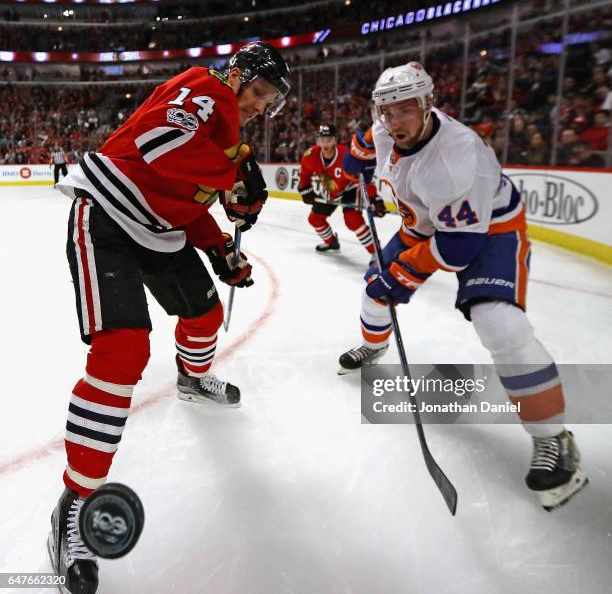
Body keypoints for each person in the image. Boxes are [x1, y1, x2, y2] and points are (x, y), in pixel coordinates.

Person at [50, 41, 291, 593]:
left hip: (160, 230)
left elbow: (185, 197)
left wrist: (221, 249)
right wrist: (234, 174)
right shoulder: (205, 90)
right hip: (108, 215)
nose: (258, 105)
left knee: (205, 315)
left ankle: (191, 377)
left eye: (267, 102)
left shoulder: (229, 132)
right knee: (124, 351)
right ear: (237, 75)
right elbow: (160, 146)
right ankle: (75, 505)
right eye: (257, 92)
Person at [339, 61, 587, 512]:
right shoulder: (384, 129)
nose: (395, 121)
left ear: (429, 103)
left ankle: (554, 437)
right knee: (374, 288)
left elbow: (455, 250)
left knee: (500, 324)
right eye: (386, 111)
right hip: (424, 224)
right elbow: (357, 150)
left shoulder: (457, 157)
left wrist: (406, 272)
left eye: (405, 109)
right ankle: (373, 345)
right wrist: (349, 166)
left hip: (491, 230)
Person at [298, 123, 386, 254]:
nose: (325, 144)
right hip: (332, 190)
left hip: (351, 188)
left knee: (352, 220)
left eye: (329, 140)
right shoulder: (310, 155)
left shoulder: (347, 155)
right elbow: (304, 174)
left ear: (335, 140)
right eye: (322, 140)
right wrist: (306, 190)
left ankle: (376, 253)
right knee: (315, 219)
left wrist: (373, 198)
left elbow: (364, 177)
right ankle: (331, 242)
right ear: (317, 141)